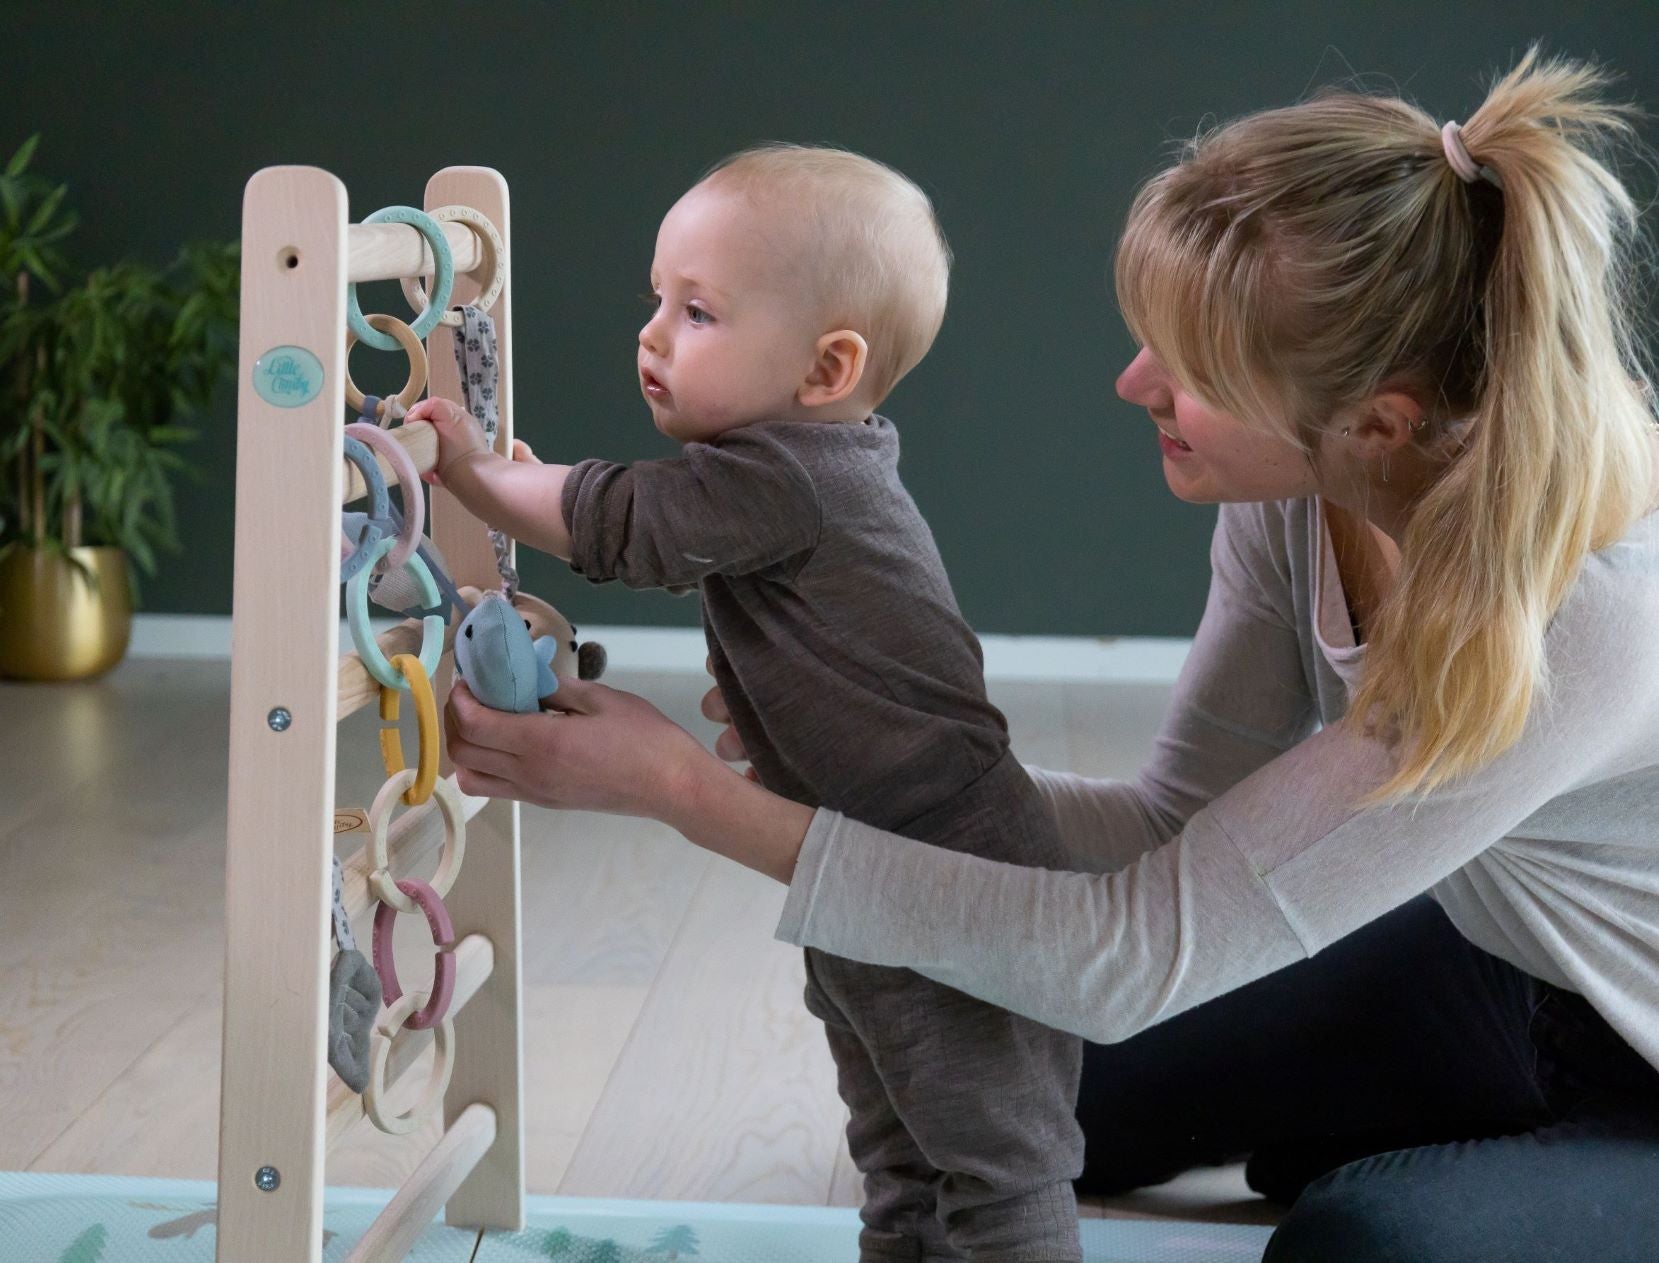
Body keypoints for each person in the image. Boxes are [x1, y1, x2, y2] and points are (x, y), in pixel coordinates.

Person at [442, 49, 1659, 1261]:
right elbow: (1169, 823)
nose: (1133, 383)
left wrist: (684, 795)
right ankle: (1422, 1132)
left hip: (1638, 1053)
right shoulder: (1309, 479)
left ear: (1375, 418)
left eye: (1188, 371)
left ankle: (1426, 1161)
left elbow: (1117, 959)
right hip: (1499, 958)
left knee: (1362, 1244)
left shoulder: (1580, 620)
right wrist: (850, 774)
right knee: (1037, 1081)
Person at [411, 145, 1089, 1261]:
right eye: (655, 301)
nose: (652, 335)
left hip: (948, 872)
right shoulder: (795, 468)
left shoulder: (793, 475)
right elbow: (632, 511)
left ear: (825, 370)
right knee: (902, 1155)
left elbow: (623, 521)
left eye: (698, 311)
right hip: (857, 867)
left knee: (996, 1167)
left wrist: (478, 475)